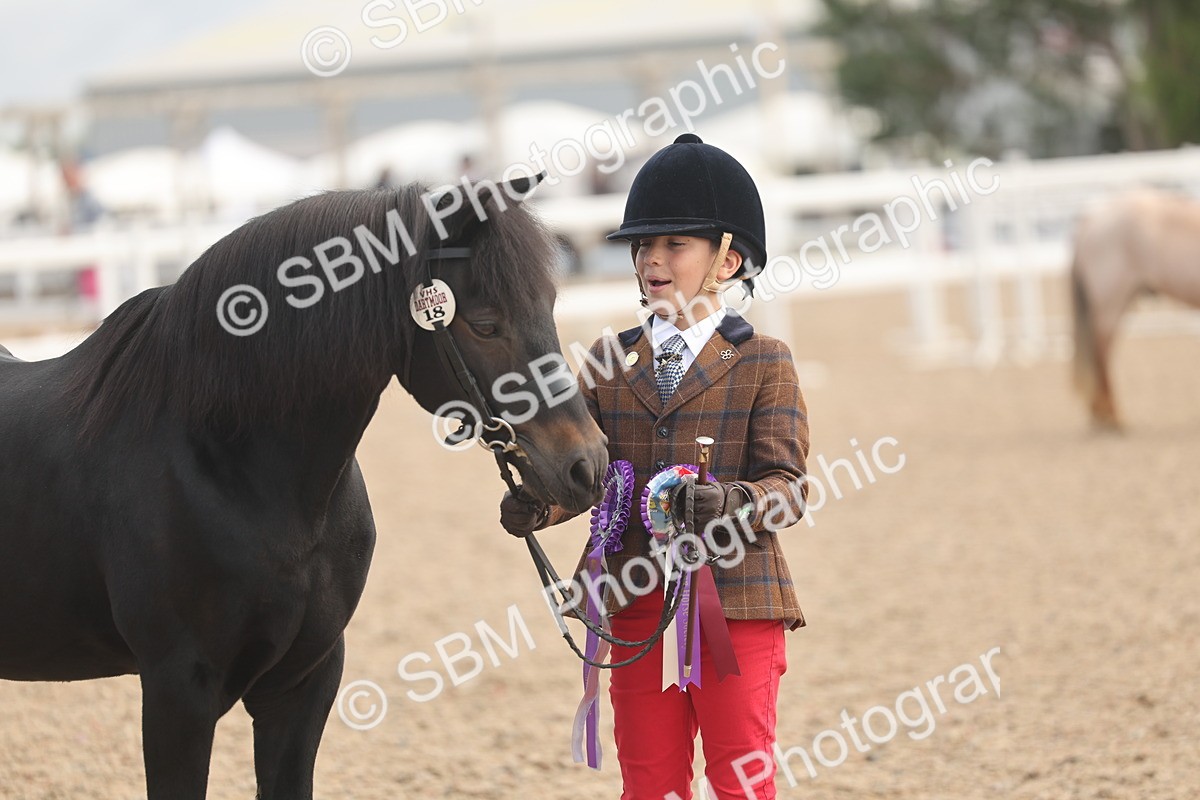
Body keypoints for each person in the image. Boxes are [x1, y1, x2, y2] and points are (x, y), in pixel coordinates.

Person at [499, 133, 810, 800]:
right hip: (636, 601)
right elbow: (587, 477)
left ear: (728, 258)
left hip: (737, 605)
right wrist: (540, 504)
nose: (652, 260)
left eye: (675, 244)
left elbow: (788, 490)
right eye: (644, 246)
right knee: (648, 782)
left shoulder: (765, 360)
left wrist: (732, 504)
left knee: (740, 776)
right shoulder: (609, 360)